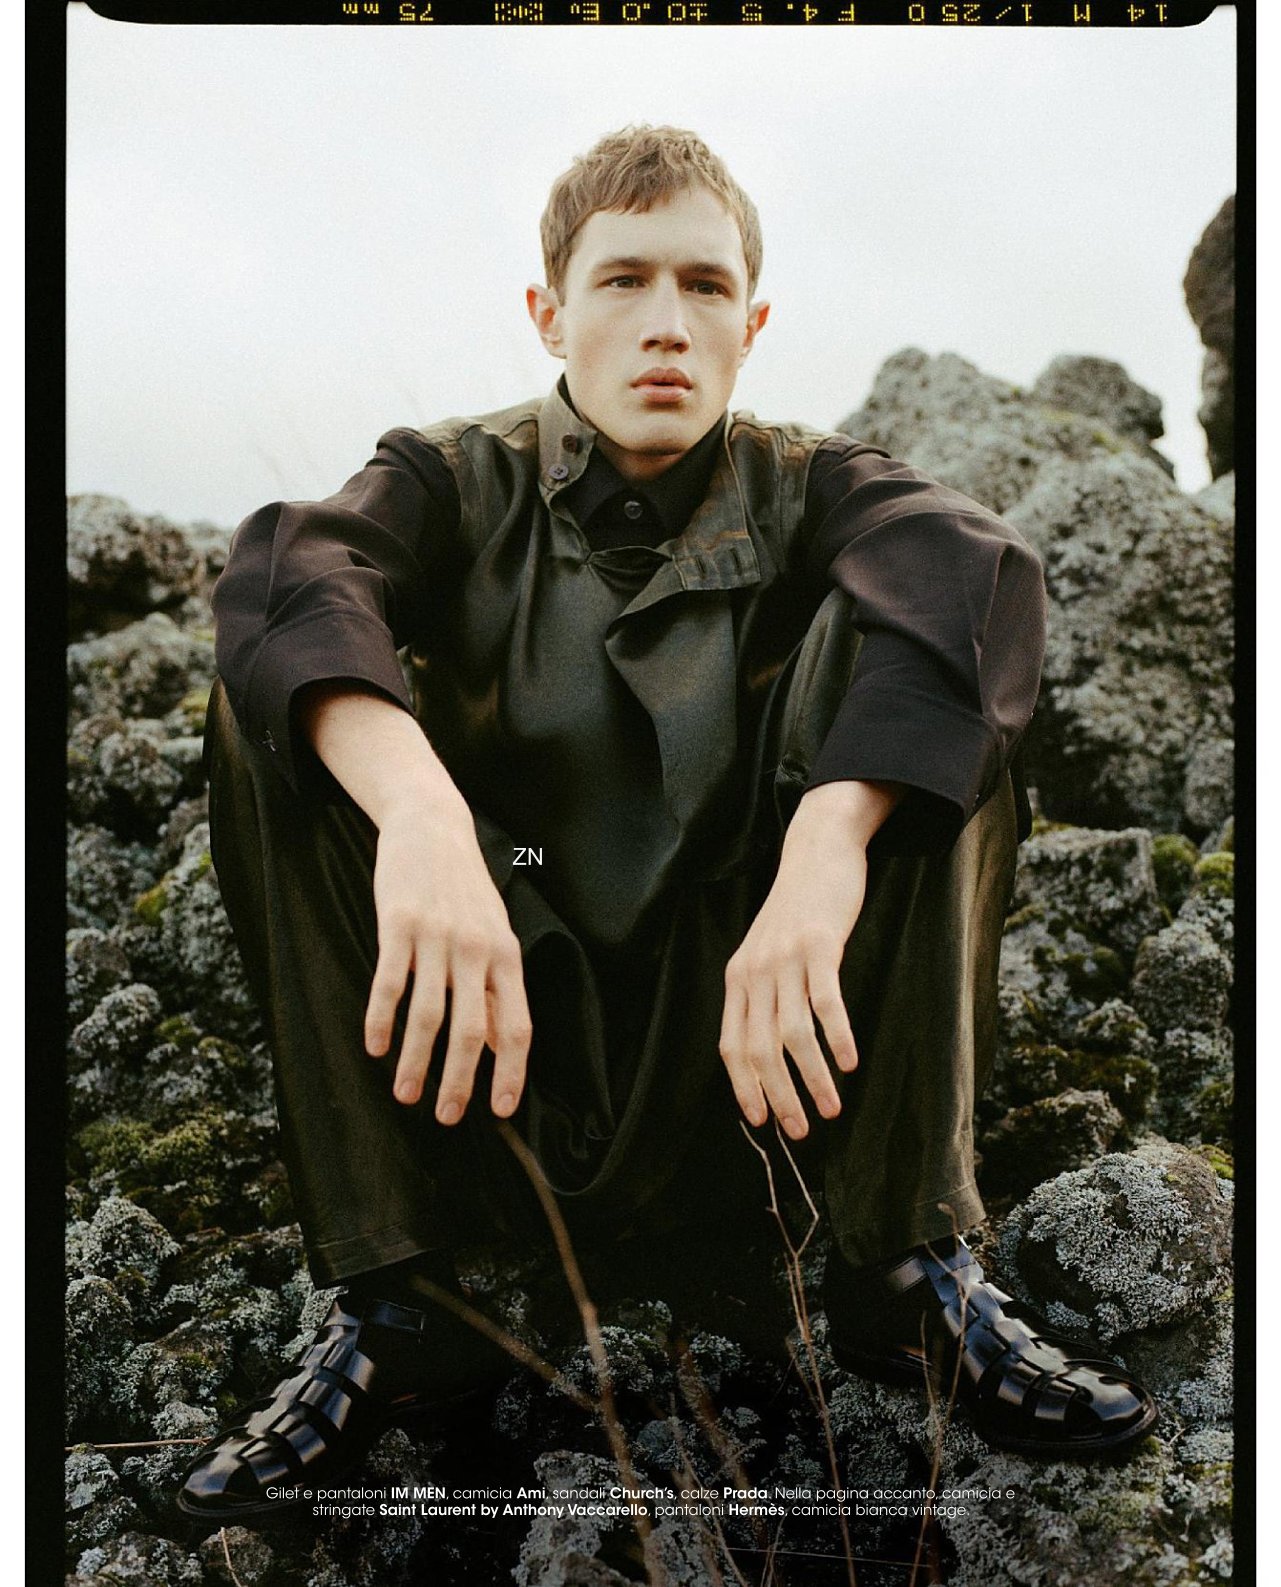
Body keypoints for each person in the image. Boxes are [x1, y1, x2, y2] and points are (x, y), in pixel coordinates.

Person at [178, 125, 1156, 1520]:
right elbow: (290, 573)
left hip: (753, 1051)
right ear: (547, 310)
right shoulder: (452, 475)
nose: (663, 323)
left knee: (922, 682)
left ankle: (906, 1271)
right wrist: (424, 820)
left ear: (751, 326)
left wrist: (824, 851)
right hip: (503, 1013)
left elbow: (975, 577)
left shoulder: (815, 481)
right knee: (282, 710)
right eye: (622, 278)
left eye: (702, 287)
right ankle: (400, 1300)